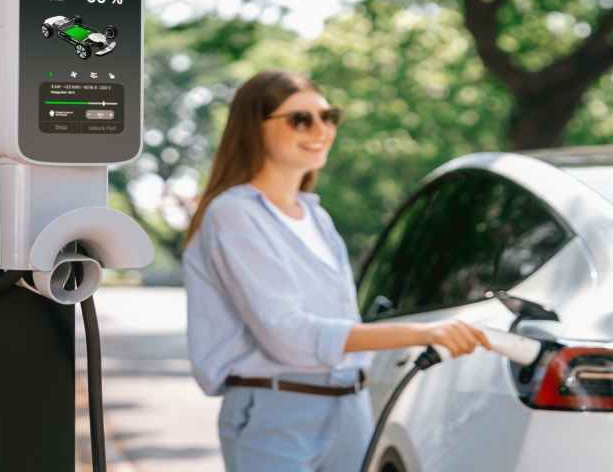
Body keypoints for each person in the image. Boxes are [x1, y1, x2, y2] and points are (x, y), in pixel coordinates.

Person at [183, 69, 490, 472]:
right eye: (300, 119)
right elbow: (287, 337)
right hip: (278, 412)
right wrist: (422, 332)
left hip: (350, 407)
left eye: (328, 117)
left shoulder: (316, 215)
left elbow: (339, 321)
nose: (321, 130)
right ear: (253, 128)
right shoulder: (234, 214)